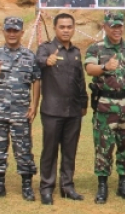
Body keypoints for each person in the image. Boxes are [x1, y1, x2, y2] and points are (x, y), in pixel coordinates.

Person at [0, 16, 41, 202]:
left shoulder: (30, 56)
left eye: (16, 30)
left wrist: (35, 104)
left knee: (23, 148)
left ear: (22, 33)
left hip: (20, 111)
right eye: (9, 30)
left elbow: (36, 79)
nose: (12, 34)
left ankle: (27, 186)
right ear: (4, 32)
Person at [85, 12, 125, 204]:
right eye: (113, 26)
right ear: (105, 27)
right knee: (103, 147)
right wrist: (105, 67)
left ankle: (124, 184)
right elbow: (89, 69)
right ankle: (102, 185)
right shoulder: (96, 48)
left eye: (120, 26)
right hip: (105, 108)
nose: (117, 30)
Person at [35, 13, 87, 205]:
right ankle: (46, 188)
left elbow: (80, 79)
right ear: (55, 28)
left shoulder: (75, 52)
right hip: (52, 110)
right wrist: (46, 61)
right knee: (49, 151)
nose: (66, 30)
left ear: (73, 29)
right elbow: (37, 61)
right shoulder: (46, 48)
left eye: (69, 27)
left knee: (69, 150)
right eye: (62, 27)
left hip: (73, 111)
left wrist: (84, 102)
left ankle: (67, 186)